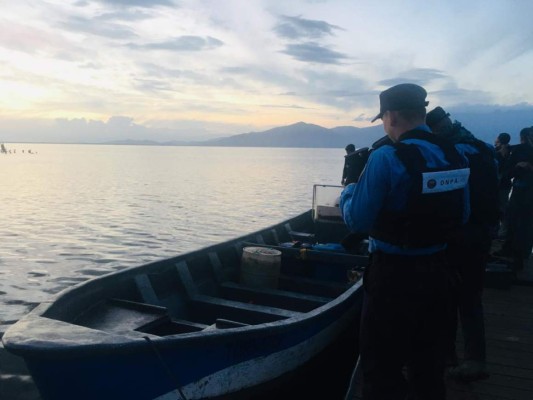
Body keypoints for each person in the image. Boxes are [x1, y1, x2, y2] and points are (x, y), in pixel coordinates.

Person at [340, 83, 470, 399]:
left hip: (393, 279)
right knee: (428, 368)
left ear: (393, 116)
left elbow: (357, 220)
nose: (385, 125)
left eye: (383, 118)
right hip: (439, 273)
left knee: (381, 370)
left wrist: (349, 189)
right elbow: (463, 215)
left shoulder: (386, 157)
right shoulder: (456, 153)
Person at [426, 106, 500, 382]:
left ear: (435, 128)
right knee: (470, 297)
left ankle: (449, 356)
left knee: (447, 295)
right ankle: (473, 358)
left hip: (459, 233)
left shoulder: (451, 152)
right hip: (483, 231)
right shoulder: (481, 148)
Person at [498, 127, 533, 271]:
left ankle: (514, 252)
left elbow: (507, 172)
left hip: (522, 190)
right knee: (522, 222)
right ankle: (520, 253)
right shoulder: (519, 150)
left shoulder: (519, 150)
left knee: (516, 220)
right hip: (523, 190)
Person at [494, 132, 513, 237]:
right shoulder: (511, 151)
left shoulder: (496, 153)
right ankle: (503, 231)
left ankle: (500, 231)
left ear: (499, 140)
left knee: (499, 207)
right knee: (503, 206)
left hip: (498, 184)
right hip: (506, 184)